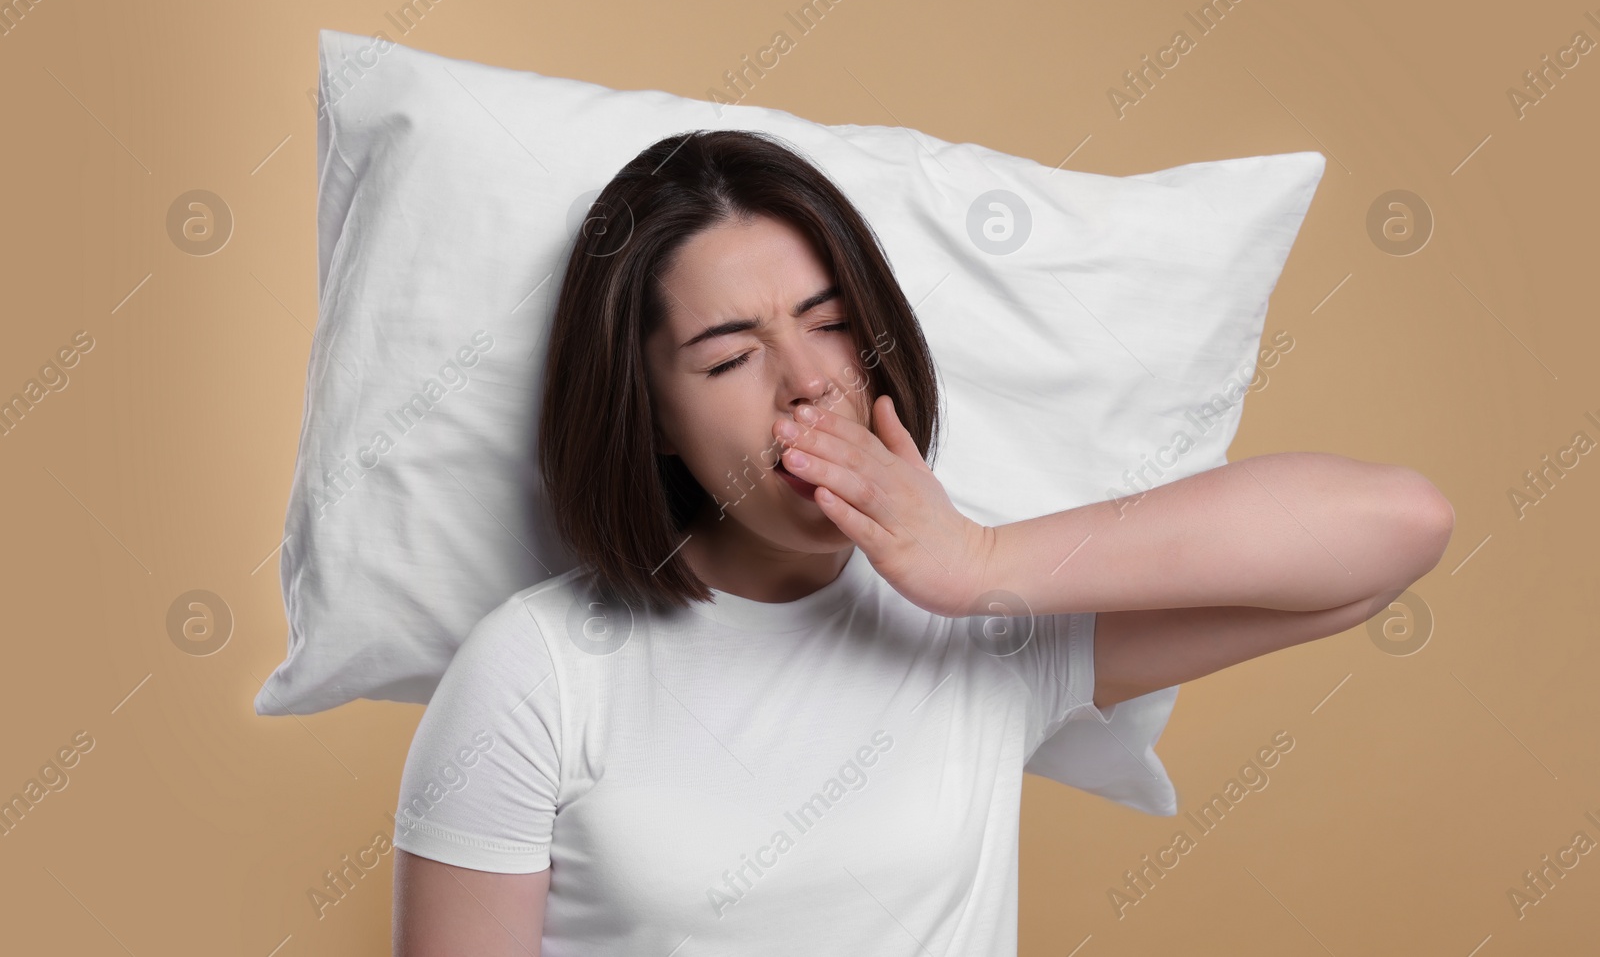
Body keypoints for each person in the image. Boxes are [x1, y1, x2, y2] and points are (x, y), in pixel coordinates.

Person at [391, 130, 1454, 955]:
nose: (807, 379)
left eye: (829, 321)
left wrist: (983, 564)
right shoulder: (535, 671)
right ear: (649, 414)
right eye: (727, 356)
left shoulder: (982, 628)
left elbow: (1395, 528)